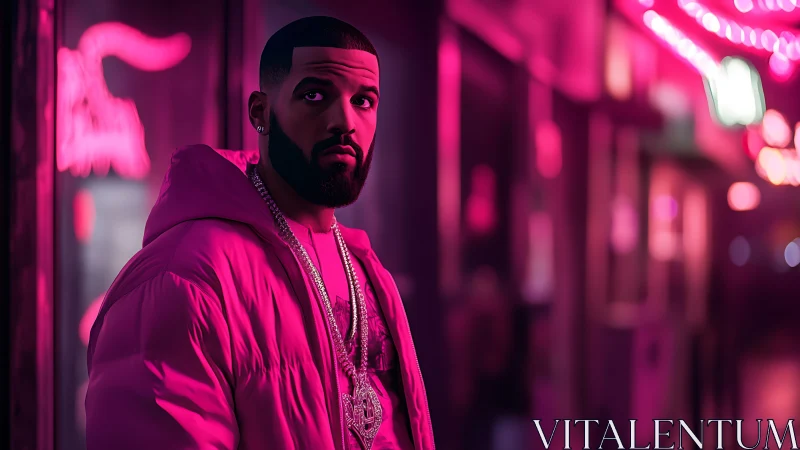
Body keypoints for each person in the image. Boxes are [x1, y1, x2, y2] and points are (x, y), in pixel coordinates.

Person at [85, 16, 435, 450]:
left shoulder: (364, 267)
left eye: (364, 101)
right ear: (260, 112)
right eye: (315, 96)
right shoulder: (184, 276)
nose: (344, 121)